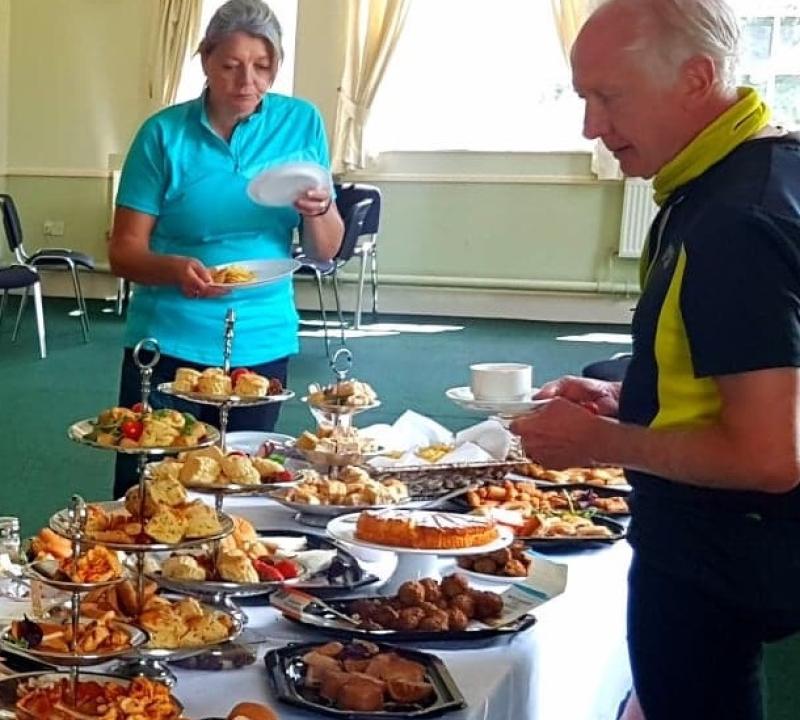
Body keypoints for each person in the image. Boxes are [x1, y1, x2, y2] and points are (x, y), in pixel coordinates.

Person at [510, 1, 800, 719]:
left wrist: (604, 443)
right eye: (584, 98)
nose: (591, 126)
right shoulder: (740, 172)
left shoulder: (735, 222)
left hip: (718, 556)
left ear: (698, 78)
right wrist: (634, 398)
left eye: (609, 96)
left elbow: (771, 455)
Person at [108, 0, 343, 496]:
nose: (247, 82)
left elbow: (325, 252)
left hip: (262, 335)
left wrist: (318, 210)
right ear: (205, 61)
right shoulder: (163, 134)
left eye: (263, 67)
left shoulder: (301, 123)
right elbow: (124, 253)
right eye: (231, 66)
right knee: (151, 493)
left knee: (247, 490)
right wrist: (174, 268)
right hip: (169, 337)